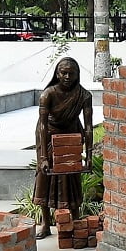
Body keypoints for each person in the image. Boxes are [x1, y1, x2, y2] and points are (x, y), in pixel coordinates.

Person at [33, 57, 93, 238]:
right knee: (45, 175)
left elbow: (89, 127)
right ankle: (45, 222)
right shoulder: (48, 94)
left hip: (72, 133)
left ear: (77, 75)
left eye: (71, 73)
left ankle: (75, 219)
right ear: (57, 74)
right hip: (48, 135)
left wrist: (88, 156)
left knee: (72, 174)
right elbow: (43, 125)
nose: (67, 76)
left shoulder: (84, 95)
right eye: (63, 73)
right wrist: (43, 156)